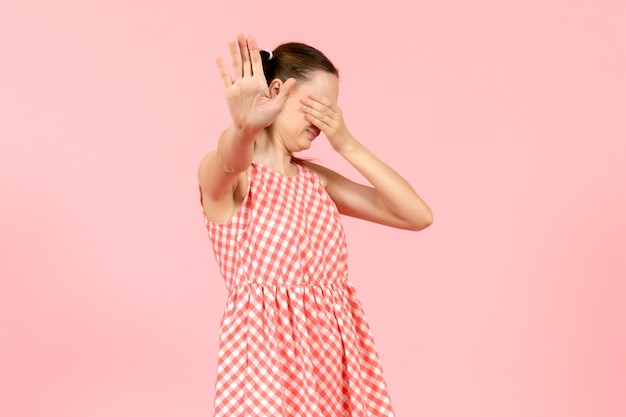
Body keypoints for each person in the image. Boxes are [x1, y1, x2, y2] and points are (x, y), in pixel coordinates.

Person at [198, 33, 433, 417]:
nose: (326, 120)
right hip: (268, 367)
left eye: (333, 110)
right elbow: (229, 160)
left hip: (334, 358)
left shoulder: (315, 181)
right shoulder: (236, 180)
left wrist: (348, 145)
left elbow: (416, 215)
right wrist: (244, 128)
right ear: (277, 91)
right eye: (318, 105)